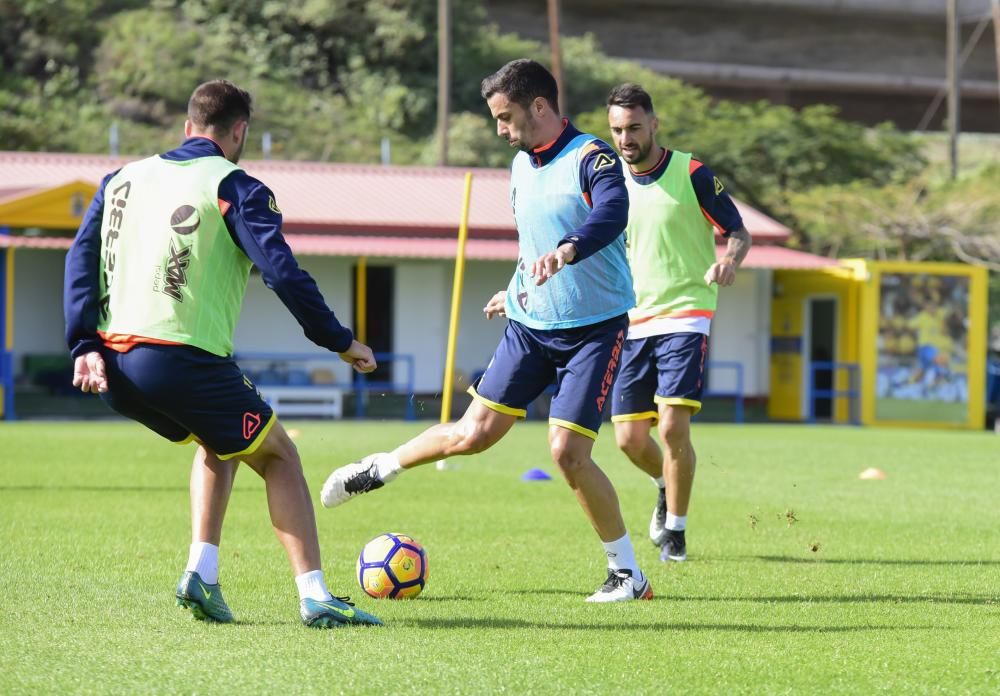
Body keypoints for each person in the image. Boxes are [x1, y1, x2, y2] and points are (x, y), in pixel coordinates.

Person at [321, 59, 652, 602]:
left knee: (567, 451)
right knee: (471, 434)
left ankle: (627, 575)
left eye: (505, 117)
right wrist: (518, 286)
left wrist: (568, 250)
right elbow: (533, 246)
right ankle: (378, 468)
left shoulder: (592, 157)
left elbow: (613, 213)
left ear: (539, 107)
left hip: (593, 330)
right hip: (531, 325)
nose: (500, 129)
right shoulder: (521, 166)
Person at [63, 79, 382, 629]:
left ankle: (201, 575)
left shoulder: (121, 180)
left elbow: (80, 259)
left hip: (113, 368)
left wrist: (83, 344)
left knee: (221, 442)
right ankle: (316, 597)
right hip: (179, 359)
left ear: (187, 127)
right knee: (280, 455)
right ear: (239, 132)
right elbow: (282, 272)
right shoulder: (234, 184)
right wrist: (340, 340)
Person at [605, 83, 752, 563]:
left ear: (654, 124)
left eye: (633, 127)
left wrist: (729, 261)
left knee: (672, 427)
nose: (625, 138)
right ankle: (665, 486)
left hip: (687, 313)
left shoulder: (691, 172)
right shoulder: (609, 184)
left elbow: (737, 231)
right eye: (617, 130)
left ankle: (676, 533)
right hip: (632, 320)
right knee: (628, 438)